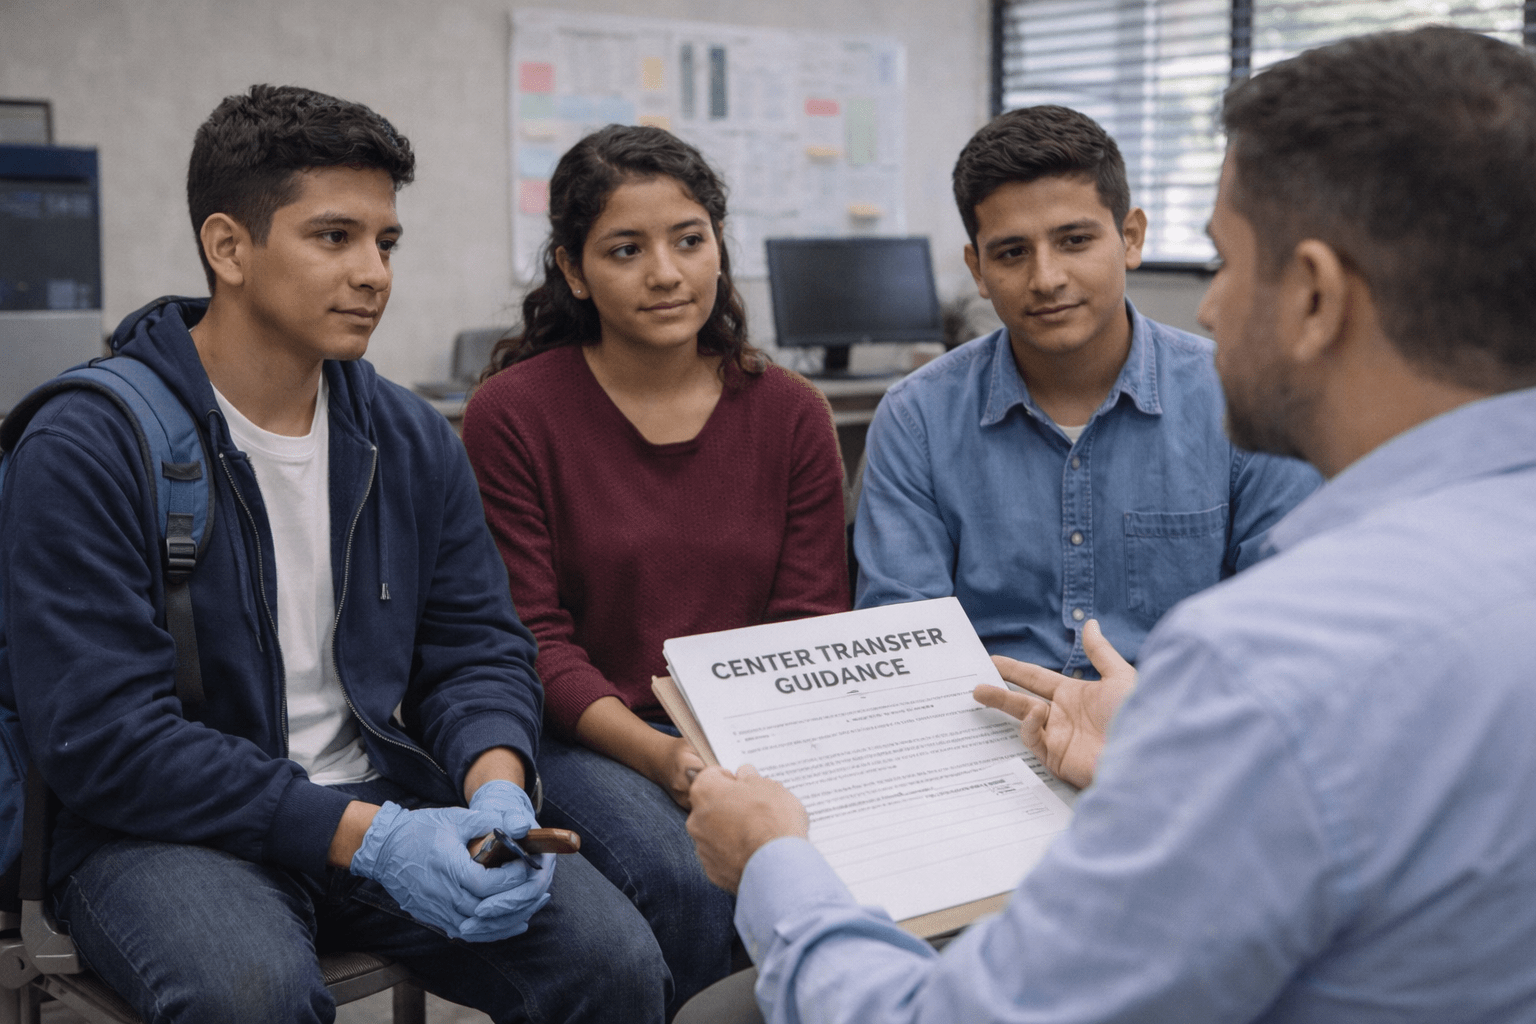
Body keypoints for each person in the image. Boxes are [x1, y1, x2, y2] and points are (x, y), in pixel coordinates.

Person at [684, 25, 1536, 1024]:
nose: (1210, 310)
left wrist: (774, 862)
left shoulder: (1269, 655)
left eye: (1224, 261)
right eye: (1013, 252)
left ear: (1314, 295)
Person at [0, 85, 665, 1023]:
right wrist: (369, 839)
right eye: (334, 237)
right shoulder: (86, 444)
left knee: (612, 962)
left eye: (385, 242)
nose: (373, 273)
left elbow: (476, 647)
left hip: (383, 798)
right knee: (251, 998)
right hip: (164, 828)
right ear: (228, 247)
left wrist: (496, 787)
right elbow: (106, 740)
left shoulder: (408, 435)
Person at [461, 125, 848, 1015]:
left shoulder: (791, 413)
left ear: (719, 245)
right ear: (573, 269)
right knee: (687, 874)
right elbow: (533, 638)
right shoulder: (512, 415)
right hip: (590, 731)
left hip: (753, 728)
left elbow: (811, 617)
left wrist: (730, 753)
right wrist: (666, 756)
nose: (666, 274)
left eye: (688, 240)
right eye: (626, 250)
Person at [853, 103, 1320, 673]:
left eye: (1074, 240)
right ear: (978, 270)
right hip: (989, 719)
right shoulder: (916, 419)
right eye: (1012, 253)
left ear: (1130, 237)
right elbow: (902, 646)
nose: (1046, 279)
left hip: (1177, 716)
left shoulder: (1243, 397)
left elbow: (1285, 632)